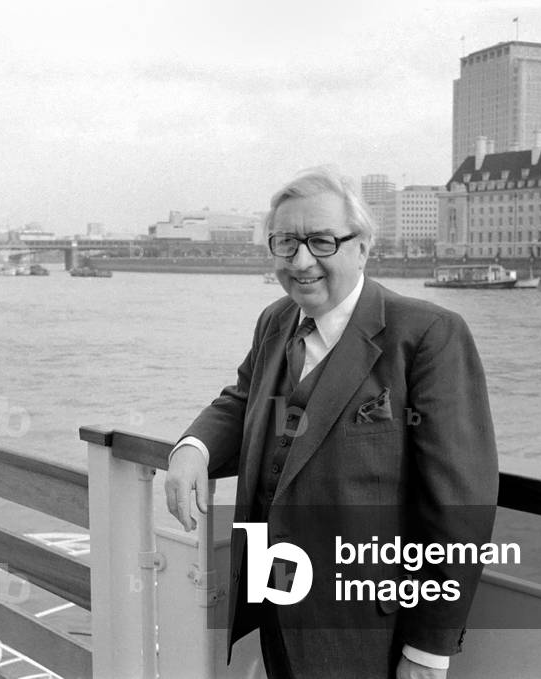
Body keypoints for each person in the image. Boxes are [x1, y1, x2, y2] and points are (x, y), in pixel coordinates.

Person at [165, 166, 498, 679]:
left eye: (321, 242)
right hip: (276, 601)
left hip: (367, 625)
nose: (301, 262)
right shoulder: (276, 320)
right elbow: (242, 399)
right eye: (285, 243)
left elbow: (458, 502)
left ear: (361, 246)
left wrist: (429, 648)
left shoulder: (428, 335)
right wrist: (193, 448)